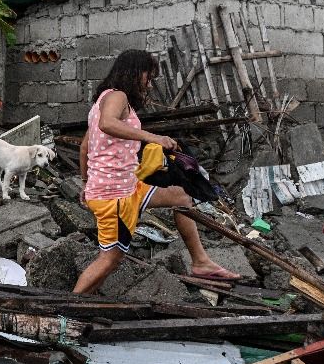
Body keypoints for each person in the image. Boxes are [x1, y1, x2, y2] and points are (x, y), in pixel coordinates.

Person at [72, 50, 240, 294]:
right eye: (147, 77)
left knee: (181, 197)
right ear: (133, 72)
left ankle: (201, 262)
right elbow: (107, 124)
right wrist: (153, 138)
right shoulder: (117, 97)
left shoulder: (102, 100)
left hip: (127, 187)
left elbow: (86, 146)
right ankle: (68, 311)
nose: (148, 83)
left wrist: (86, 184)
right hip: (114, 195)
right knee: (110, 259)